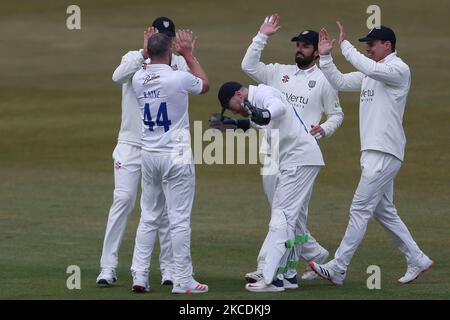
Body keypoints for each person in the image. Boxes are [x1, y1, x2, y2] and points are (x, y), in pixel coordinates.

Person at [309, 22, 434, 285]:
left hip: (384, 150)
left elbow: (369, 67)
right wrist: (326, 56)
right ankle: (417, 258)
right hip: (373, 151)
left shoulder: (398, 70)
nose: (368, 48)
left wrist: (344, 45)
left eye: (372, 44)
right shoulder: (371, 73)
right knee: (382, 210)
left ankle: (339, 267)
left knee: (359, 209)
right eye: (365, 44)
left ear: (387, 45)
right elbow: (340, 82)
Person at [241, 14, 344, 282]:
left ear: (315, 52)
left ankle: (283, 270)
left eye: (305, 46)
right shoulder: (279, 72)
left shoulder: (324, 80)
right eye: (297, 45)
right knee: (285, 215)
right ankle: (309, 256)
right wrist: (261, 36)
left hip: (300, 154)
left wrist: (325, 129)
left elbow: (336, 114)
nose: (299, 49)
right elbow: (249, 65)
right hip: (272, 150)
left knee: (289, 214)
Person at [97, 17, 188, 287]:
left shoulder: (178, 63)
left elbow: (193, 83)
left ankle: (169, 269)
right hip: (130, 144)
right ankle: (108, 267)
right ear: (149, 36)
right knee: (123, 200)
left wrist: (179, 56)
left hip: (164, 146)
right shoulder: (133, 57)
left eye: (167, 36)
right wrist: (143, 54)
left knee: (163, 210)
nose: (164, 39)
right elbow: (117, 76)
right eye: (159, 35)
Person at [217, 81, 324, 292]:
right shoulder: (255, 104)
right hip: (298, 160)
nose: (232, 110)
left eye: (230, 106)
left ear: (239, 94)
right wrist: (236, 124)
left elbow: (277, 108)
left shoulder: (264, 94)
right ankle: (287, 275)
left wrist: (265, 113)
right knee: (290, 220)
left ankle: (272, 278)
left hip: (298, 160)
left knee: (281, 217)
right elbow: (260, 122)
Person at [130, 30, 210, 293]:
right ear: (170, 53)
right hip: (175, 154)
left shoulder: (139, 78)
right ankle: (183, 280)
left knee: (149, 217)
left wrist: (153, 49)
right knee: (178, 219)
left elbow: (148, 62)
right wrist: (188, 54)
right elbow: (205, 85)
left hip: (149, 154)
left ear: (148, 51)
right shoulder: (178, 78)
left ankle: (139, 275)